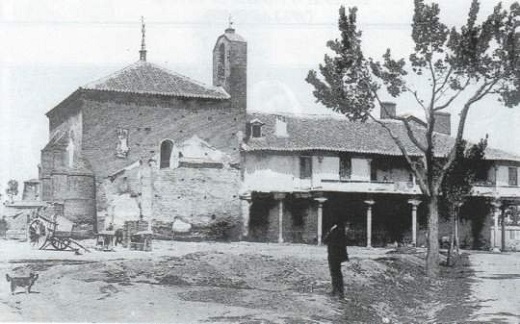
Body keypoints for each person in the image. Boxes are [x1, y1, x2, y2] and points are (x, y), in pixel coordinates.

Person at [323, 221, 349, 299]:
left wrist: (330, 231)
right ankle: (336, 291)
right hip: (334, 255)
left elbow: (326, 240)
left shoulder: (336, 230)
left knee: (336, 273)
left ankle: (339, 292)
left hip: (334, 255)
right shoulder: (340, 231)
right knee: (335, 273)